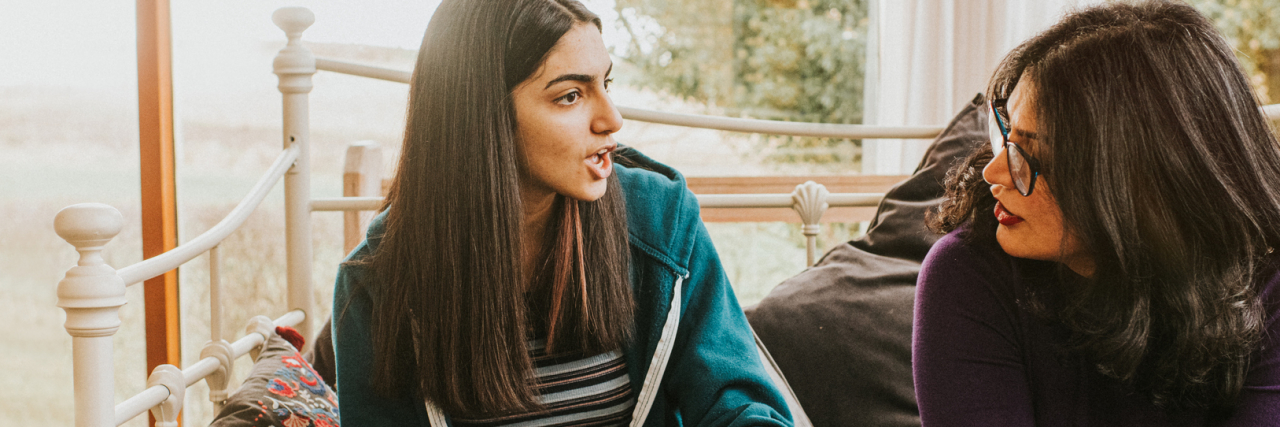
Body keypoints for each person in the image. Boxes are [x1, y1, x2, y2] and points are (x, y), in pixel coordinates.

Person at [330, 0, 794, 426]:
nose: (611, 119)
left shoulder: (661, 222)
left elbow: (735, 402)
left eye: (606, 83)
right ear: (482, 118)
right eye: (570, 95)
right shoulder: (376, 285)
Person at [914, 2, 1280, 426]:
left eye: (1034, 155)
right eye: (1007, 133)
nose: (994, 171)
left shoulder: (1267, 285)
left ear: (1140, 182)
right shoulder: (969, 272)